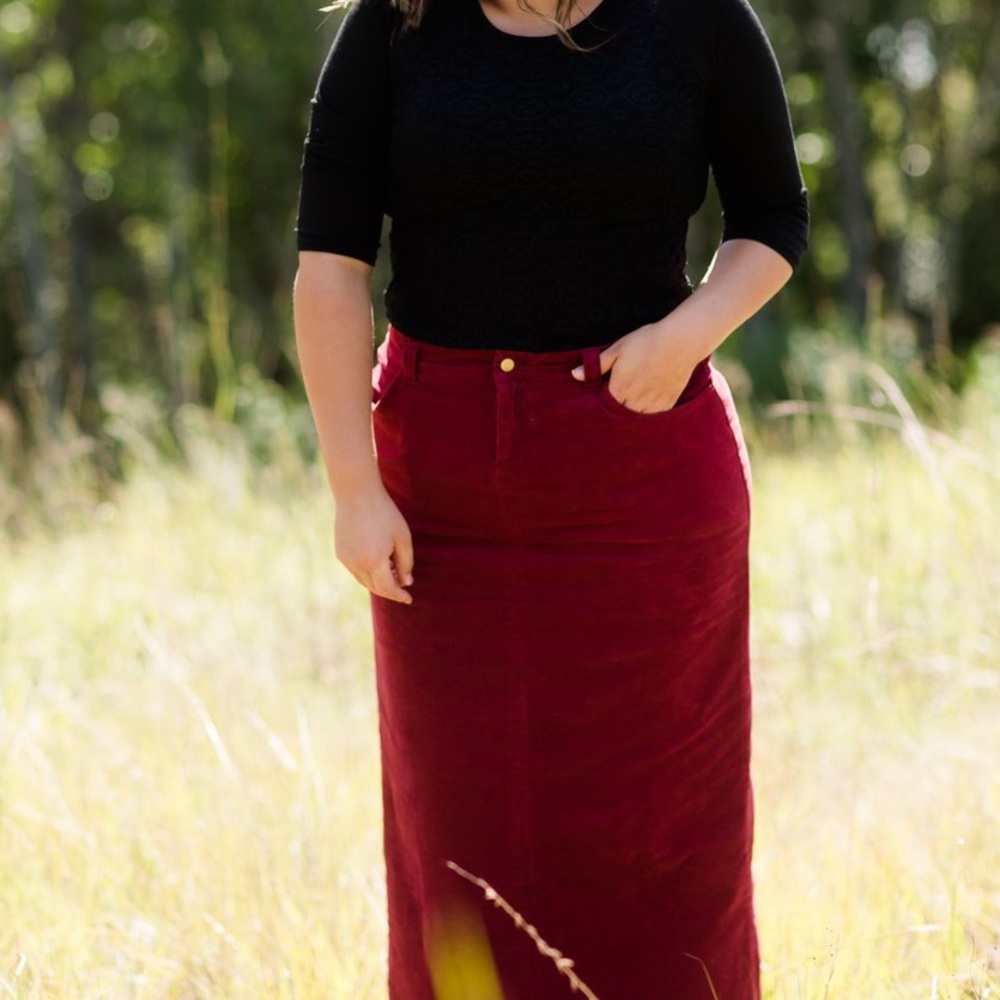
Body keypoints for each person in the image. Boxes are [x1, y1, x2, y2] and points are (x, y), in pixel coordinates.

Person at [293, 0, 808, 993]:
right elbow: (329, 269)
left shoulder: (694, 17)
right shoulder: (395, 25)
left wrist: (684, 334)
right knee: (456, 841)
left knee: (663, 838)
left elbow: (772, 216)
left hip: (643, 470)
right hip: (439, 487)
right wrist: (352, 488)